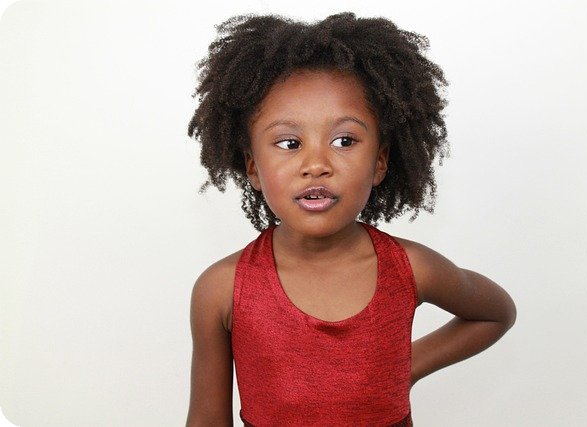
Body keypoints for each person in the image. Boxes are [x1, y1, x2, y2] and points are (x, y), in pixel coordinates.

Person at [185, 12, 516, 427]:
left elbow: (495, 313)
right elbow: (206, 419)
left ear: (380, 162)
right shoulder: (222, 290)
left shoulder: (412, 269)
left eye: (344, 140)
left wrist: (403, 367)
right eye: (289, 143)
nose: (316, 164)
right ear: (252, 166)